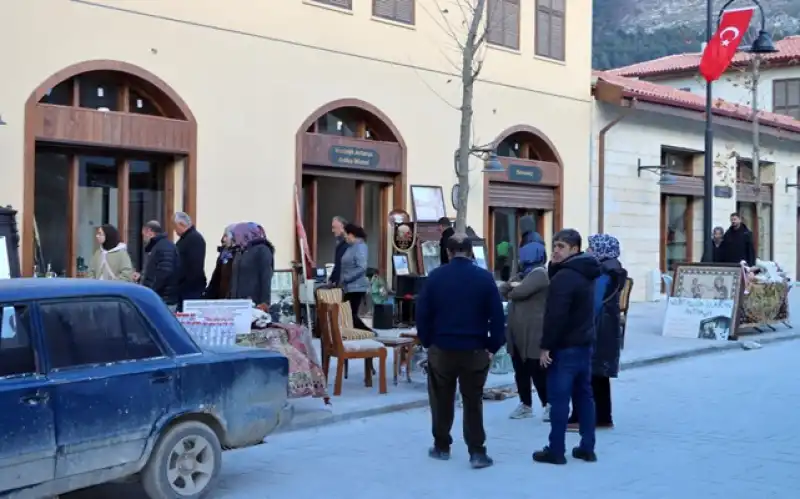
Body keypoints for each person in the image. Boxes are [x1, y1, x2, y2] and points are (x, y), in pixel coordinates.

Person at [415, 233, 505, 469]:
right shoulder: (484, 279)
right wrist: (492, 346)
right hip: (475, 349)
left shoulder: (435, 278)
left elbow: (422, 314)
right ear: (470, 251)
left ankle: (442, 445)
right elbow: (497, 317)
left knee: (441, 399)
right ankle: (477, 451)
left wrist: (427, 342)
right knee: (473, 401)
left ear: (448, 252)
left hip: (442, 348)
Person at [533, 228, 601, 465]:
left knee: (559, 399)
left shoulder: (565, 277)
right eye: (555, 245)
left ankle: (556, 450)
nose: (556, 250)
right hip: (584, 344)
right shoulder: (585, 271)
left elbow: (555, 316)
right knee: (584, 396)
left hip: (565, 347)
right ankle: (587, 447)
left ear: (574, 249)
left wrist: (545, 347)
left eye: (561, 246)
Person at [567, 234, 627, 432]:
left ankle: (582, 417)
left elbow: (593, 302)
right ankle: (603, 417)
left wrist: (579, 322)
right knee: (600, 376)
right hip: (606, 328)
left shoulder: (603, 272)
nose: (588, 251)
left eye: (592, 247)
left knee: (587, 374)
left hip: (597, 328)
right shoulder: (612, 268)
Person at [504, 247, 550, 421]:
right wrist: (512, 285)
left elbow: (519, 292)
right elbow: (504, 289)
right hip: (517, 331)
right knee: (520, 369)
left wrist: (512, 288)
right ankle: (525, 404)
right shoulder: (522, 275)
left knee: (536, 370)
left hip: (533, 331)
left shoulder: (540, 274)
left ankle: (548, 405)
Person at [229, 222, 275, 311]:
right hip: (237, 303)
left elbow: (266, 276)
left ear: (246, 234)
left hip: (254, 303)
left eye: (236, 234)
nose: (234, 237)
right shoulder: (240, 251)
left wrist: (264, 302)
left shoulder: (262, 250)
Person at [138, 221, 180, 311]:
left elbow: (164, 272)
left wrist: (151, 290)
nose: (143, 238)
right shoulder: (159, 246)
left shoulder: (163, 247)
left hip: (163, 298)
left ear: (149, 231)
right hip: (161, 297)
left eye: (143, 234)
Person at [340, 223, 372, 331]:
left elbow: (362, 267)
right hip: (349, 287)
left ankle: (368, 332)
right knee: (348, 314)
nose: (344, 237)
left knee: (351, 315)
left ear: (352, 234)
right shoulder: (350, 247)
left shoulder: (360, 247)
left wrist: (347, 278)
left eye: (346, 234)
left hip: (357, 287)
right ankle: (359, 333)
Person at [173, 212, 207, 308]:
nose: (174, 230)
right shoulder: (186, 239)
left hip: (190, 289)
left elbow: (195, 267)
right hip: (185, 288)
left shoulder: (194, 239)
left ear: (182, 224)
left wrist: (181, 282)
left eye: (175, 226)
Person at [205, 224, 237, 299]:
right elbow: (216, 278)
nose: (223, 239)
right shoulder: (224, 254)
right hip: (221, 299)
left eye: (226, 236)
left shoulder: (240, 257)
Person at [328, 216, 349, 286]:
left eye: (334, 227)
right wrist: (331, 280)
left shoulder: (351, 244)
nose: (332, 230)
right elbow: (337, 266)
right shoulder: (340, 245)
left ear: (342, 226)